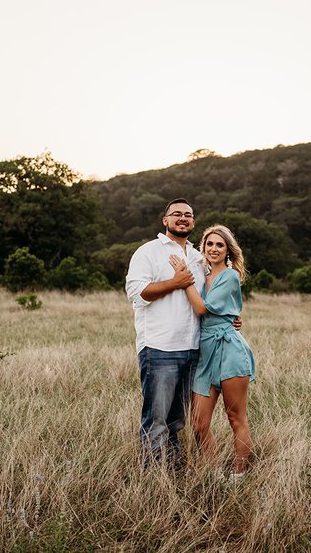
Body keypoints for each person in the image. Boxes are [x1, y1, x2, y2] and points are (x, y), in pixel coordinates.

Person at [125, 198, 206, 468]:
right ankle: (153, 478)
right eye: (176, 214)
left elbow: (206, 298)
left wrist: (231, 319)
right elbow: (136, 293)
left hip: (193, 349)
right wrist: (175, 282)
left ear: (193, 221)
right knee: (156, 420)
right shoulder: (148, 251)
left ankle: (172, 470)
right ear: (165, 220)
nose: (183, 218)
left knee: (177, 421)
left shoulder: (198, 257)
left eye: (188, 215)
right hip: (159, 348)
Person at [170, 224, 255, 479]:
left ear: (228, 250)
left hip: (229, 350)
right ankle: (215, 474)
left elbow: (202, 309)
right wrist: (189, 278)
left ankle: (238, 476)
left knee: (235, 418)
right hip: (205, 354)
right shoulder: (200, 275)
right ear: (203, 247)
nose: (214, 249)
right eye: (210, 244)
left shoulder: (229, 276)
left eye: (220, 245)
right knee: (199, 423)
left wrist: (183, 280)